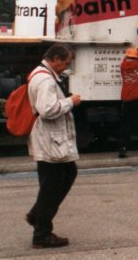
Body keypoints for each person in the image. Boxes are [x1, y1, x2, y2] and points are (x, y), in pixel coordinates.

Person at [25, 43, 81, 249]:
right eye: (65, 63)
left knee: (64, 175)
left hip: (51, 140)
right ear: (55, 59)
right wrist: (70, 102)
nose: (66, 67)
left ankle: (36, 216)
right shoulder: (45, 80)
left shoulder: (42, 75)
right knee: (52, 185)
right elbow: (47, 110)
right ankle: (41, 234)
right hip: (51, 141)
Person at [118, 45, 138, 158]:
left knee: (125, 123)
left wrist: (132, 52)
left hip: (126, 98)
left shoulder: (123, 66)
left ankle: (122, 147)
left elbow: (126, 59)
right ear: (136, 58)